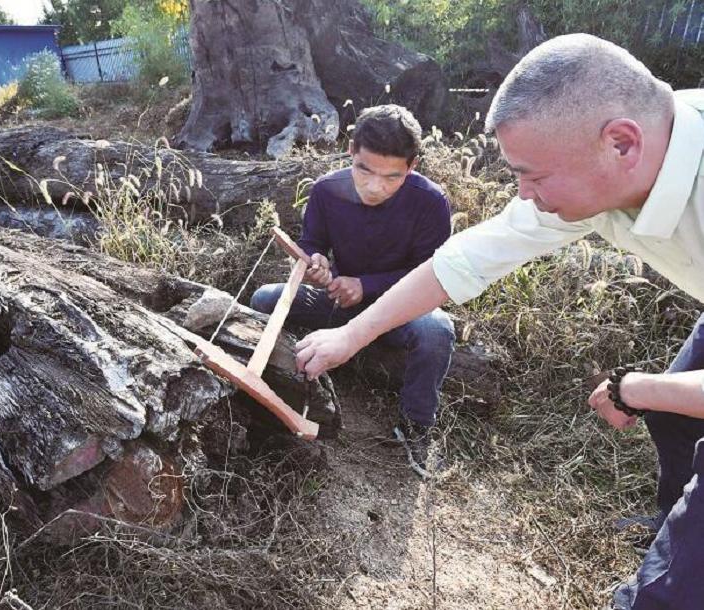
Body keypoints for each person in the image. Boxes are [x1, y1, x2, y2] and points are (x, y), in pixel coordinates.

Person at [294, 33, 704, 608]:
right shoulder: (593, 169)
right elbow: (461, 261)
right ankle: (670, 520)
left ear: (621, 143)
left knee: (674, 588)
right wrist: (350, 334)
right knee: (676, 424)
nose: (524, 196)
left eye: (532, 176)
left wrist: (638, 388)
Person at [250, 104, 455, 477]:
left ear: (412, 166)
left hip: (401, 309)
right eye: (364, 170)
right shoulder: (327, 190)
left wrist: (367, 285)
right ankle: (279, 390)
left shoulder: (431, 202)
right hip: (337, 301)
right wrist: (316, 262)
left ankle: (416, 426)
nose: (375, 186)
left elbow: (432, 275)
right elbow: (312, 240)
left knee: (437, 330)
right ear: (351, 152)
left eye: (391, 177)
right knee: (265, 298)